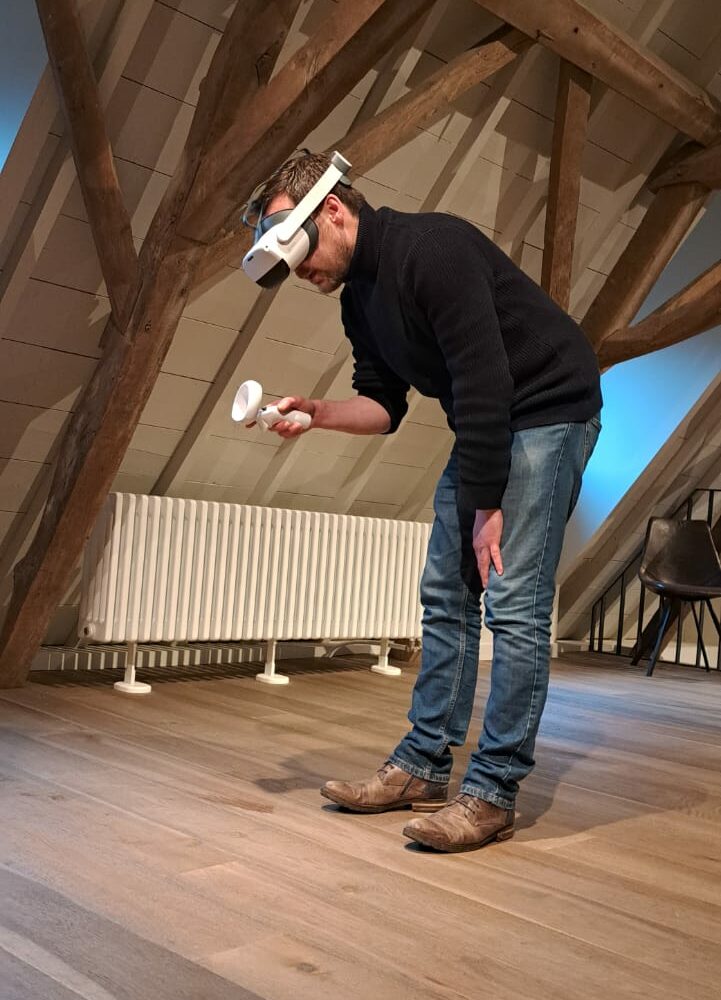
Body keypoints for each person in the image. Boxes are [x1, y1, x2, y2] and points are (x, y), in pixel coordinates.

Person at [241, 151, 602, 852]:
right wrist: (316, 412)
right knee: (444, 592)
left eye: (298, 250)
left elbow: (484, 376)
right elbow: (384, 406)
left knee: (514, 604)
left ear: (333, 210)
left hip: (548, 407)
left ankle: (491, 792)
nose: (299, 272)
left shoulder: (433, 249)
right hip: (487, 419)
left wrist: (486, 507)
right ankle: (422, 767)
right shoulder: (358, 299)